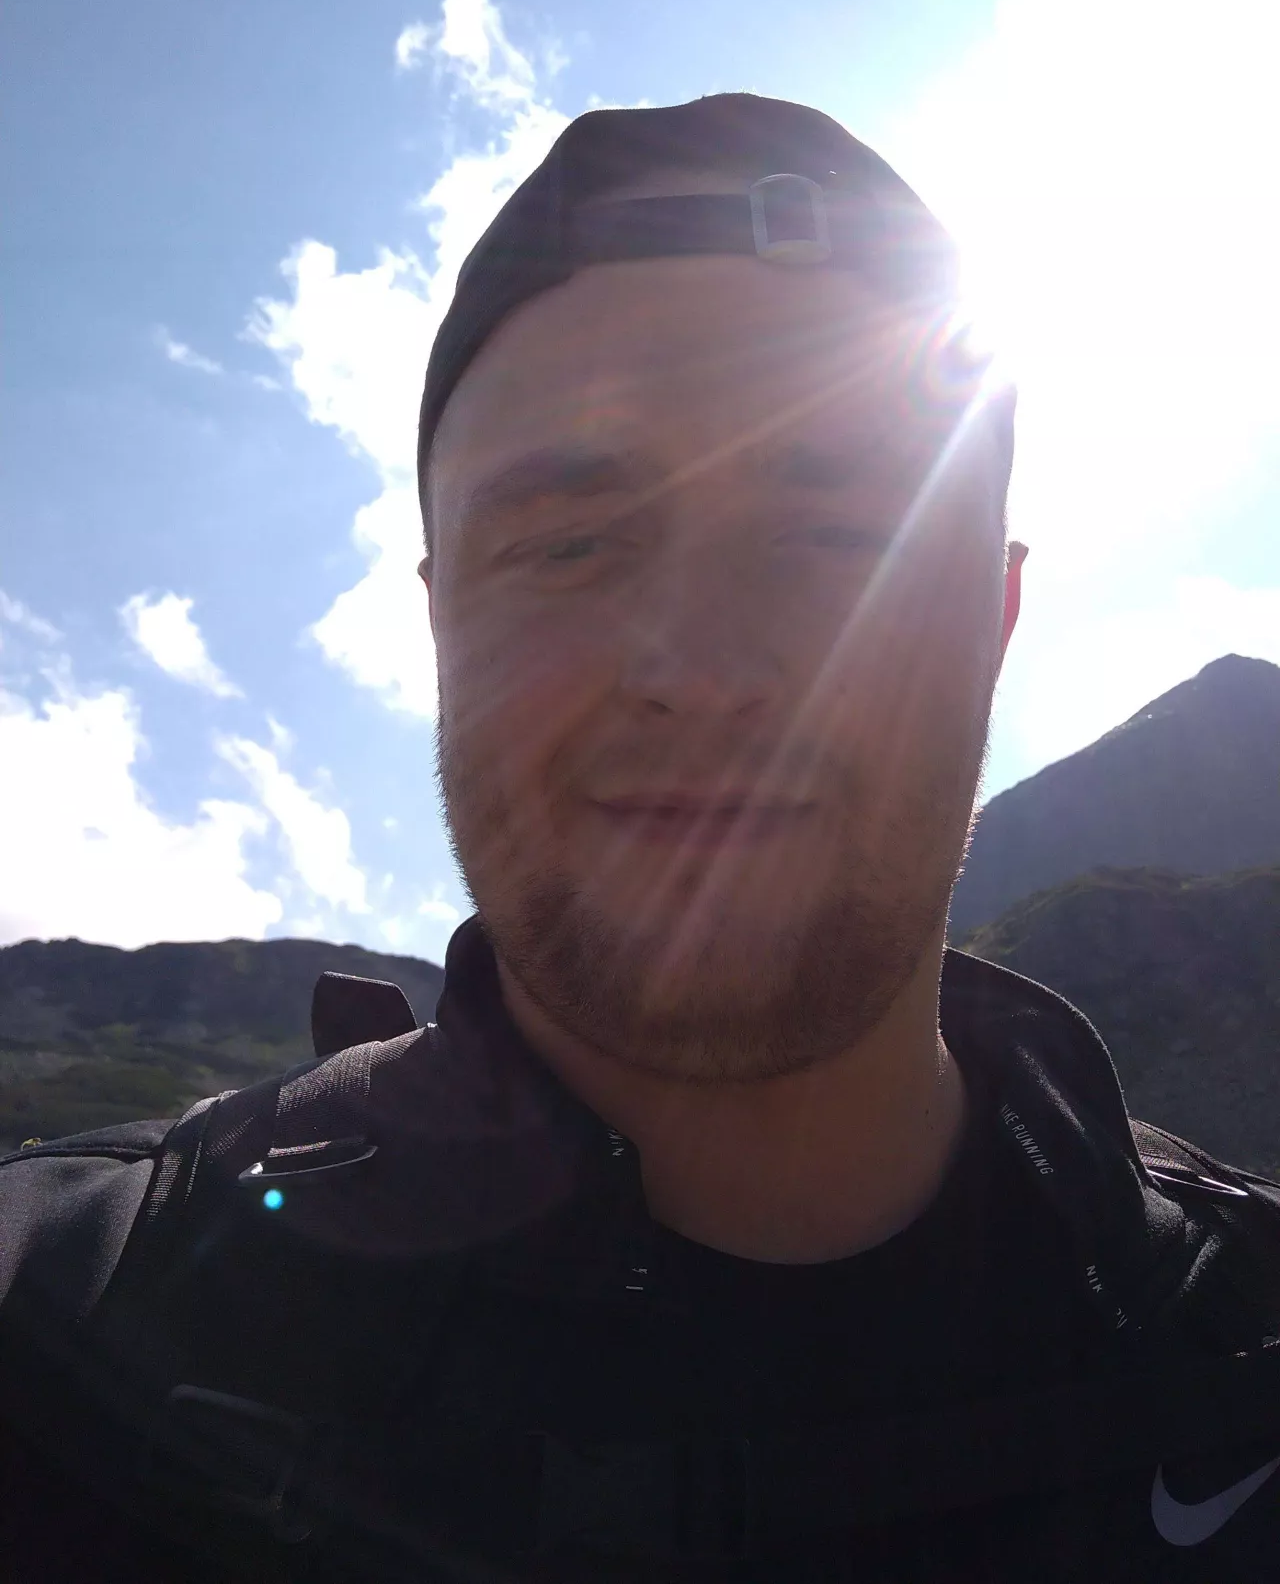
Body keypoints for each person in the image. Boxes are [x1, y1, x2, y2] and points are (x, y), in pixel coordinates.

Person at [1, 93, 1278, 1584]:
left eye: (838, 538)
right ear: (442, 622)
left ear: (995, 622)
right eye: (570, 543)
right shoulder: (62, 1330)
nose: (704, 671)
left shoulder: (1243, 1335)